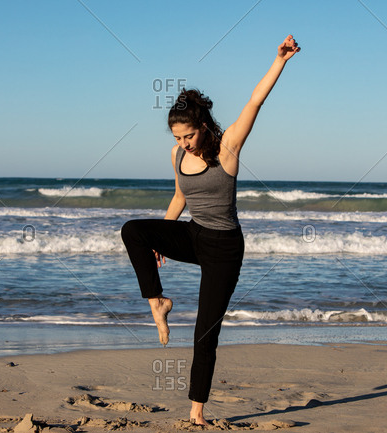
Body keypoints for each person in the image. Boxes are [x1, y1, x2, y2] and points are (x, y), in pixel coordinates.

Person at [121, 34, 300, 426]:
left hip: (224, 248)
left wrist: (280, 61)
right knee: (133, 230)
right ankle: (158, 303)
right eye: (177, 138)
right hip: (193, 233)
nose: (183, 144)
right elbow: (179, 196)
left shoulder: (228, 148)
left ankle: (197, 410)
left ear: (202, 126)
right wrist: (160, 240)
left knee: (206, 333)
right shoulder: (176, 154)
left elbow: (255, 101)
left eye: (188, 135)